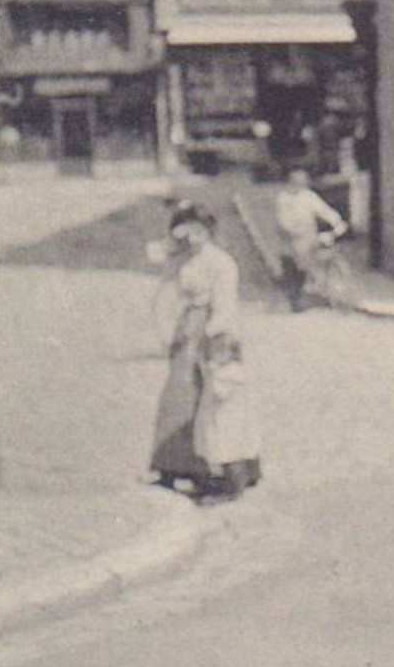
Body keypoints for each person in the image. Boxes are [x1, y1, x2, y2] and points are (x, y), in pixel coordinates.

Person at [148, 202, 262, 503]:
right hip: (188, 327)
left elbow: (225, 304)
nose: (194, 238)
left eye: (200, 231)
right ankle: (175, 465)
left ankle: (230, 469)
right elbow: (167, 290)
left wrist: (214, 336)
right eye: (189, 231)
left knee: (219, 398)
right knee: (179, 394)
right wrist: (169, 330)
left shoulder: (221, 263)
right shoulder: (184, 259)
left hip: (214, 331)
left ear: (210, 231)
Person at [274, 168, 348, 312]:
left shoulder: (308, 196)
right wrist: (291, 230)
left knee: (318, 257)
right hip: (291, 240)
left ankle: (329, 292)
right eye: (297, 183)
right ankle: (294, 300)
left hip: (309, 237)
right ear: (290, 183)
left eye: (303, 183)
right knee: (293, 269)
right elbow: (283, 221)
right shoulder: (283, 199)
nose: (301, 187)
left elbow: (323, 210)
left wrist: (337, 221)